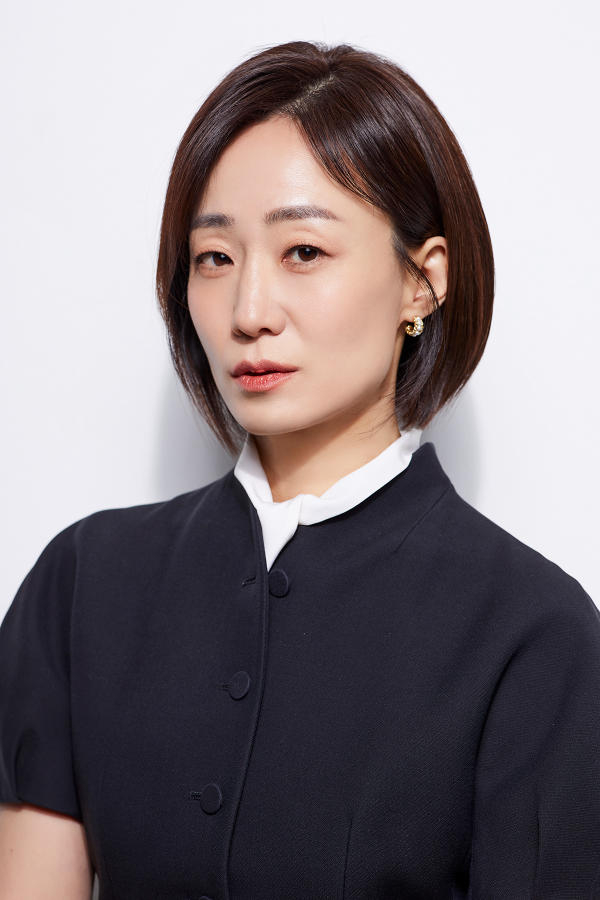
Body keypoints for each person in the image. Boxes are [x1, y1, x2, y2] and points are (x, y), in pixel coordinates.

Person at [0, 40, 599, 900]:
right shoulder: (82, 587)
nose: (249, 312)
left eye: (303, 252)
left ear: (423, 282)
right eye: (214, 258)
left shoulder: (533, 635)